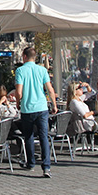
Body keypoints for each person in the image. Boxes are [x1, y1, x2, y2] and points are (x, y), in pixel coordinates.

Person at [14, 46, 58, 178]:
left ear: (24, 56)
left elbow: (19, 92)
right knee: (44, 136)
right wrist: (54, 105)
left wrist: (18, 102)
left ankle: (31, 163)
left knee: (28, 136)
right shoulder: (42, 70)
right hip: (42, 107)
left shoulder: (20, 70)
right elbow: (50, 89)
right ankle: (46, 167)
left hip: (28, 108)